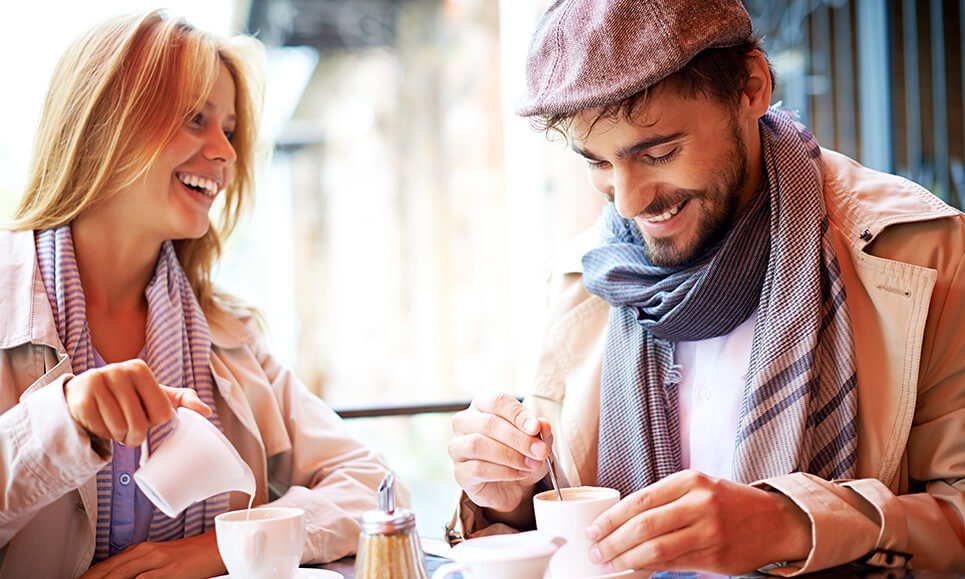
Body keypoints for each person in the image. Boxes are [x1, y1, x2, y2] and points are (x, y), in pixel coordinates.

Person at [447, 0, 965, 575]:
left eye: (659, 152)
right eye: (596, 162)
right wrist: (508, 493)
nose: (628, 201)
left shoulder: (922, 254)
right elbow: (569, 521)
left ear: (751, 88)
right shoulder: (583, 275)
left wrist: (794, 524)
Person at [0, 11, 401, 578]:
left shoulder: (228, 334)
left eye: (230, 129)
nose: (226, 153)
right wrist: (62, 424)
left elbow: (372, 484)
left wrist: (218, 549)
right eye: (196, 119)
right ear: (105, 120)